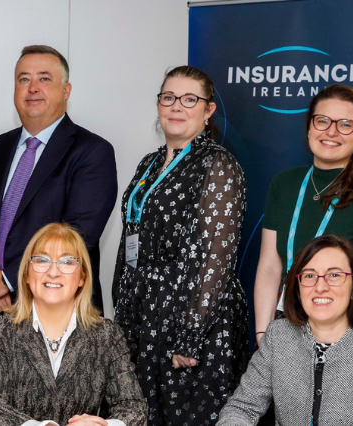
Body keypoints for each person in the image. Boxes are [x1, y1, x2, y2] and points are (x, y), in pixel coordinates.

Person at [110, 65, 249, 425]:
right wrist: (121, 311)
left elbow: (216, 256)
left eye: (190, 99)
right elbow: (131, 238)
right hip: (143, 314)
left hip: (189, 318)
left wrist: (191, 335)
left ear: (208, 110)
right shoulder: (149, 163)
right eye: (169, 97)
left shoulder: (217, 164)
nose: (177, 106)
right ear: (159, 104)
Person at [0, 45, 118, 342]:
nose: (32, 88)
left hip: (62, 320)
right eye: (23, 79)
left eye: (44, 79)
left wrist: (6, 280)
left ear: (66, 89)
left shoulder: (92, 152)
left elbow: (78, 236)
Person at [254, 84, 353, 336]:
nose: (331, 131)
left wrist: (321, 343)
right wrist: (263, 335)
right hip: (282, 324)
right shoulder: (284, 184)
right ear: (310, 126)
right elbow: (269, 267)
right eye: (322, 121)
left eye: (345, 124)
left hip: (341, 332)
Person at [217, 236, 353, 426]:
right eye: (309, 276)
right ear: (298, 290)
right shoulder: (278, 336)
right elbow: (242, 408)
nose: (321, 287)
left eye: (334, 275)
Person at [0, 223, 149, 426]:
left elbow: (134, 409)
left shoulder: (107, 334)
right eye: (42, 260)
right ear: (26, 274)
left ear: (82, 277)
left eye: (67, 262)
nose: (53, 272)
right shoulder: (0, 331)